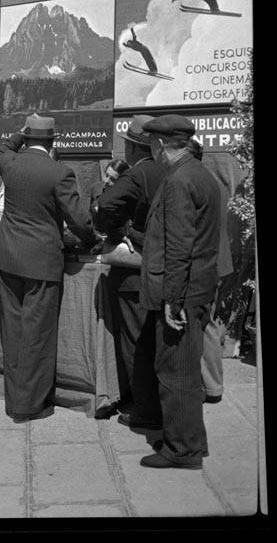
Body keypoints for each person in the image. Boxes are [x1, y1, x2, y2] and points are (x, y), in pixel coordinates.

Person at [0, 114, 95, 423]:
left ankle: (14, 401)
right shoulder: (59, 172)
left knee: (12, 330)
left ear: (28, 137)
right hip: (43, 263)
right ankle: (30, 404)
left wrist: (20, 135)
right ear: (52, 141)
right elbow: (79, 220)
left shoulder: (9, 163)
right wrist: (91, 238)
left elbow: (1, 150)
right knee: (37, 334)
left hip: (9, 259)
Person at [138, 115, 220, 470]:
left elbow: (179, 246)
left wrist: (172, 298)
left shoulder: (179, 180)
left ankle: (182, 451)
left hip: (183, 293)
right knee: (184, 368)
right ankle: (191, 440)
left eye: (151, 146)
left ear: (158, 145)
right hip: (197, 287)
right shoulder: (200, 173)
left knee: (175, 372)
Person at [95, 116, 167, 421]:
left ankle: (144, 410)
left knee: (136, 343)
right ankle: (159, 405)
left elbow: (106, 206)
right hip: (163, 267)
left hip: (134, 273)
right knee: (156, 342)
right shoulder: (168, 170)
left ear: (133, 148)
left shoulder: (137, 175)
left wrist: (120, 232)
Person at [187, 137, 234, 404]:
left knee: (205, 325)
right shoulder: (214, 181)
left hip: (208, 263)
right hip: (220, 261)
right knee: (210, 323)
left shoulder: (197, 183)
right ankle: (212, 384)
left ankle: (211, 386)